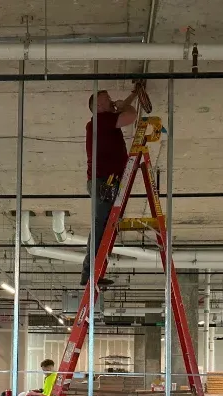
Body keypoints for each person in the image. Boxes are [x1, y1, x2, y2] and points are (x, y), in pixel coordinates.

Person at [83, 88, 140, 287]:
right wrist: (125, 104)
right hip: (103, 182)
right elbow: (131, 116)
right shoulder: (100, 120)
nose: (111, 100)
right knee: (101, 226)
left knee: (103, 225)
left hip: (105, 182)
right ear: (98, 106)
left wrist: (132, 95)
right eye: (106, 99)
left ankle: (92, 272)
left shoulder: (104, 121)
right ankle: (91, 273)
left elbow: (125, 110)